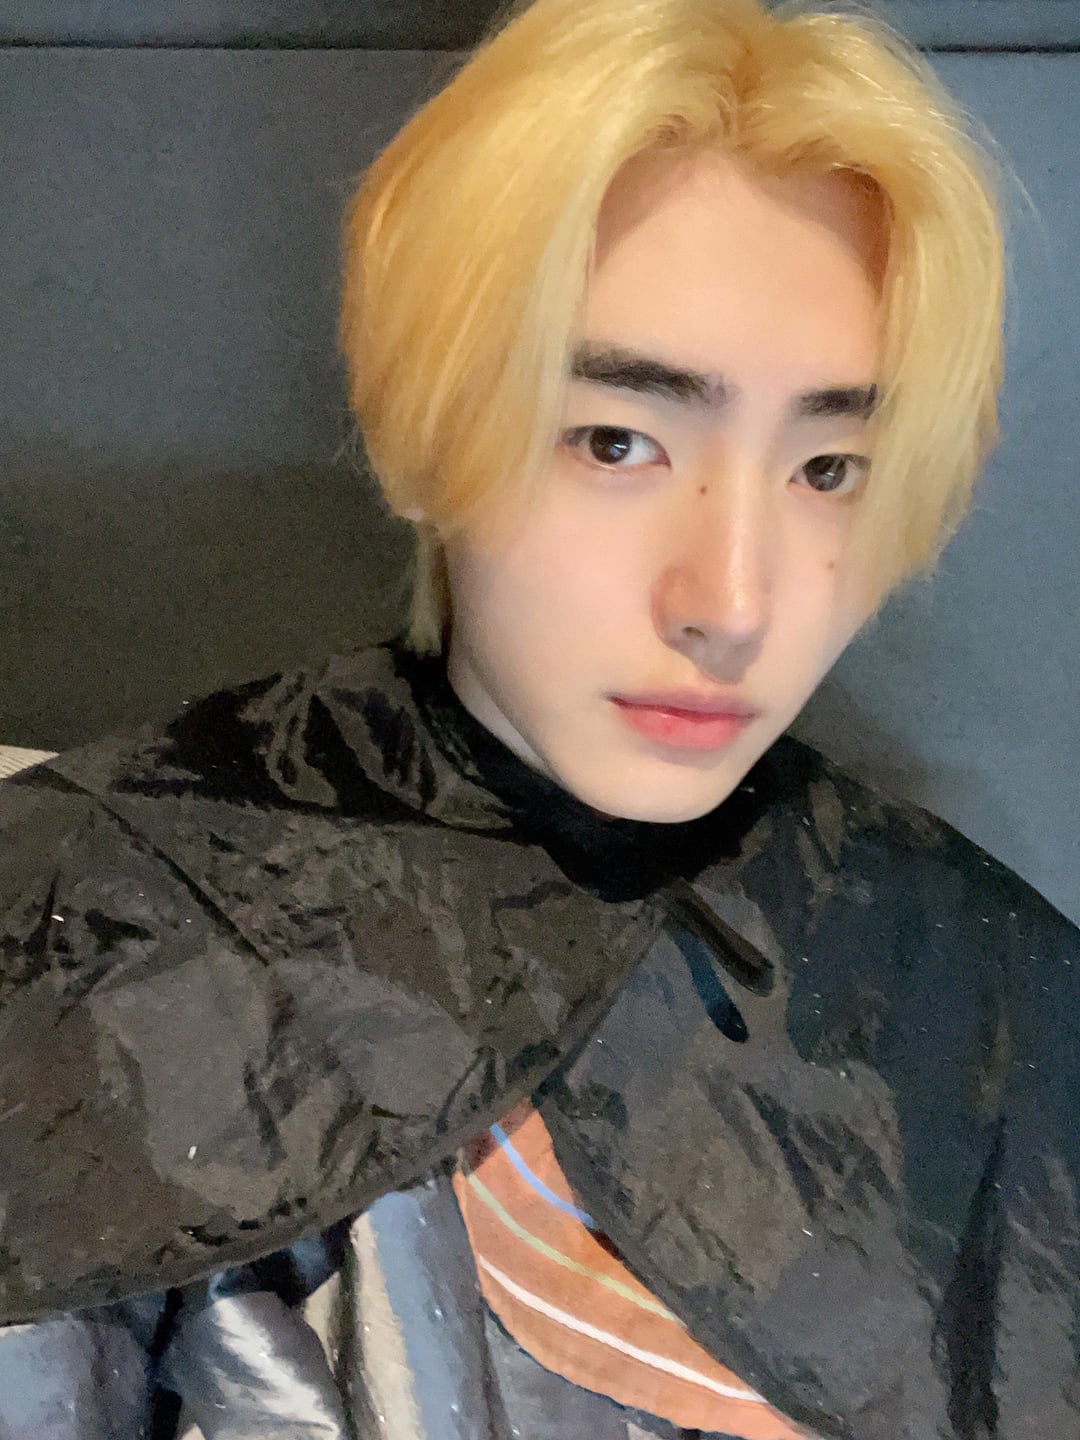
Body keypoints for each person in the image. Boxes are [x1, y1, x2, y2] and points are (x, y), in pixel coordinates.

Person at [0, 0, 1076, 1435]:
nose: (731, 602)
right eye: (616, 441)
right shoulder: (103, 922)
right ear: (432, 427)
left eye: (831, 468)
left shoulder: (989, 998)